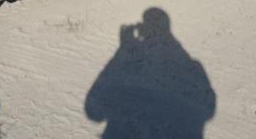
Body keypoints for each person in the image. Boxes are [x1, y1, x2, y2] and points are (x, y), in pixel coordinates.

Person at [85, 8, 216, 138]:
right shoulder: (192, 66)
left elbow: (93, 111)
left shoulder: (188, 65)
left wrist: (124, 48)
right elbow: (209, 107)